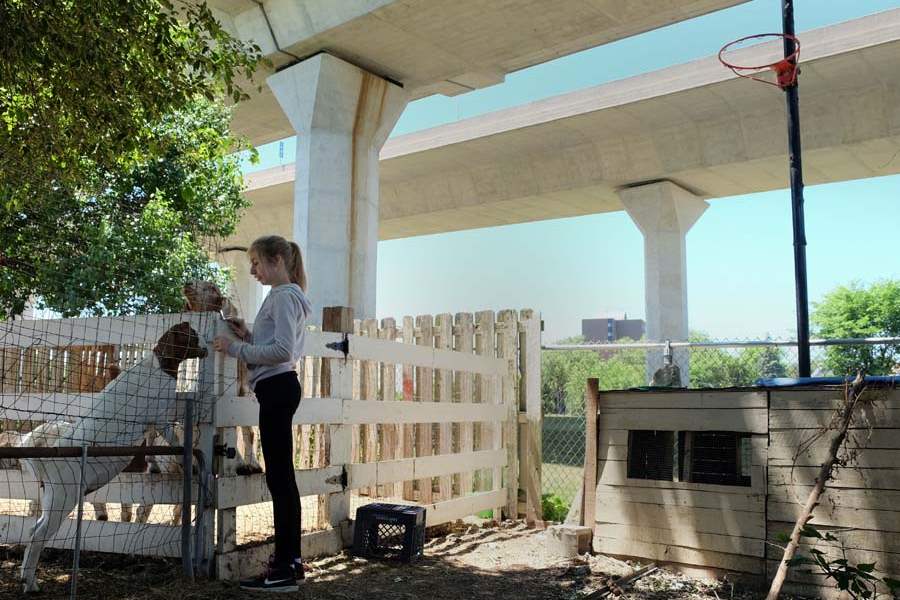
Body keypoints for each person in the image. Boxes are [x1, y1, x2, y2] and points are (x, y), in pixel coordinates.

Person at [213, 234, 312, 593]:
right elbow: (274, 342)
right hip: (278, 389)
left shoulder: (284, 296)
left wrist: (237, 347)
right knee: (282, 479)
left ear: (277, 262)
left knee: (280, 481)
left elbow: (283, 350)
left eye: (256, 263)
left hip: (277, 388)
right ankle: (291, 563)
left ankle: (285, 567)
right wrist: (250, 334)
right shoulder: (285, 296)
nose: (252, 270)